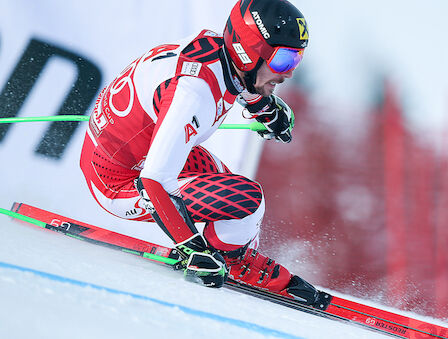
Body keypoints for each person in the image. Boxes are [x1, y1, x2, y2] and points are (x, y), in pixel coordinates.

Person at [79, 0, 317, 304]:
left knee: (227, 185)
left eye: (296, 61)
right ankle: (234, 260)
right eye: (284, 60)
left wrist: (264, 108)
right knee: (248, 201)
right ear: (251, 50)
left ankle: (232, 251)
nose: (289, 74)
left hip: (134, 153)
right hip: (118, 182)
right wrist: (193, 249)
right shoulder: (192, 92)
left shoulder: (220, 52)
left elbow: (238, 81)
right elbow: (153, 182)